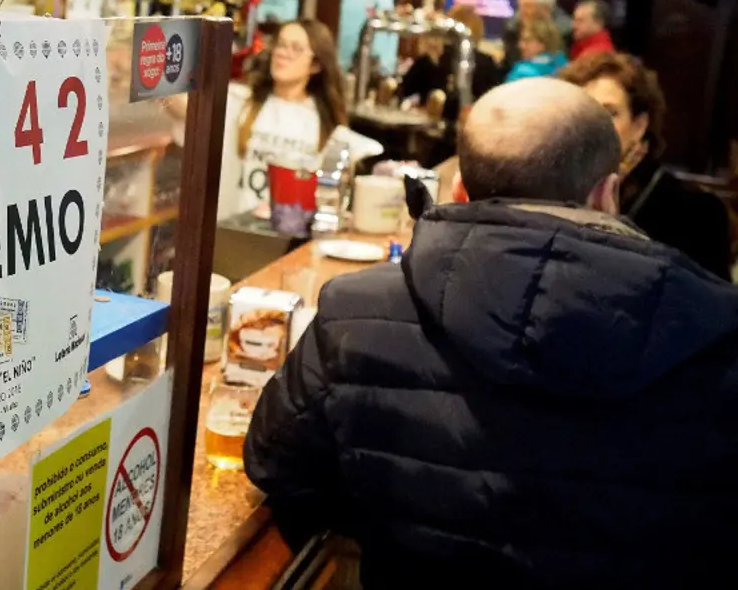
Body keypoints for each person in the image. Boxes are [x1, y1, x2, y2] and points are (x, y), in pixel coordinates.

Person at [244, 77, 738, 588]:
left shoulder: (354, 311)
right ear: (607, 194)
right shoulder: (717, 333)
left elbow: (275, 464)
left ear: (459, 188)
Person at [559, 51, 732, 277]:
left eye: (609, 113)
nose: (593, 125)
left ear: (639, 126)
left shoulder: (696, 212)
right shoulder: (552, 190)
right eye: (583, 111)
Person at [218, 20, 349, 218]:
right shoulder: (242, 102)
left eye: (296, 49)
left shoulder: (323, 122)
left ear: (315, 64)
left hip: (292, 230)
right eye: (280, 44)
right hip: (235, 226)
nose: (282, 53)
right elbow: (187, 109)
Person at [399, 4, 500, 126]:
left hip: (428, 129)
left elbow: (404, 90)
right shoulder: (487, 63)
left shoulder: (433, 58)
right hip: (471, 128)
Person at [501, 0, 572, 78]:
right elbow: (507, 65)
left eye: (528, 6)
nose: (523, 11)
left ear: (546, 8)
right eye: (521, 5)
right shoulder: (512, 27)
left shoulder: (566, 32)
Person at [504, 16, 567, 82]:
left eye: (527, 41)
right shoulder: (566, 69)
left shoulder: (521, 73)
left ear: (543, 44)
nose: (520, 45)